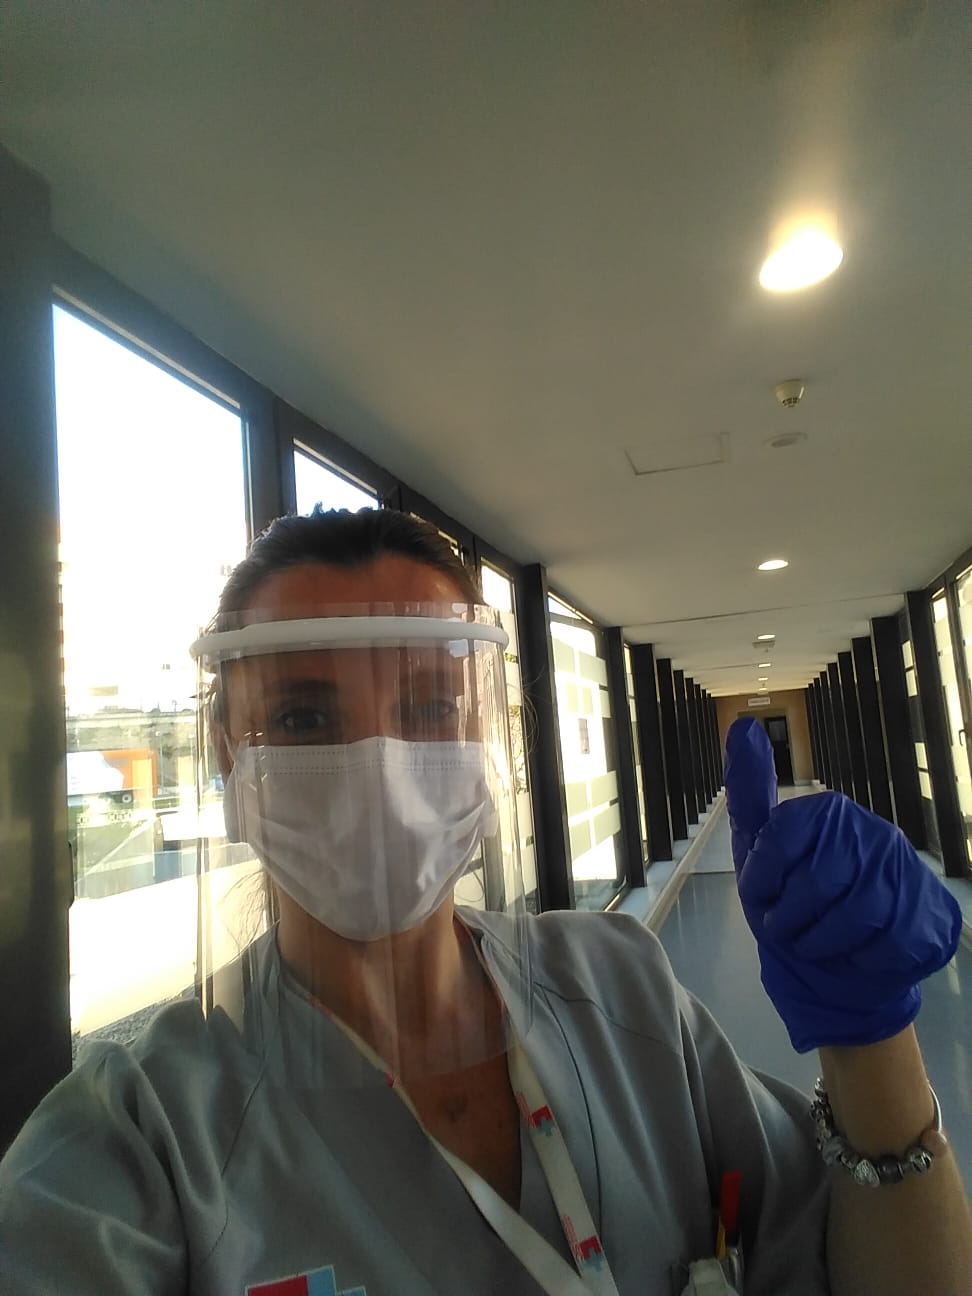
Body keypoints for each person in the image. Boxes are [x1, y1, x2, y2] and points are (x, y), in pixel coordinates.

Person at [0, 507, 969, 1296]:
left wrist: (872, 1042)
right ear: (225, 752)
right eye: (303, 716)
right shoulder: (136, 1138)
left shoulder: (618, 985)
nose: (378, 773)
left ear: (486, 734)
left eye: (429, 706)